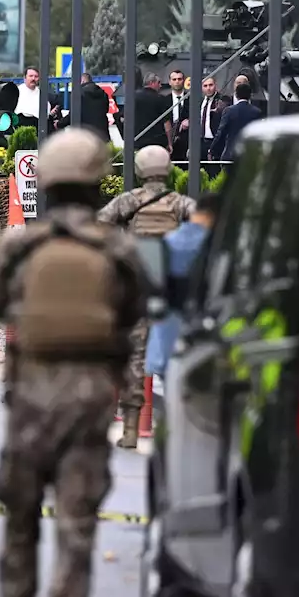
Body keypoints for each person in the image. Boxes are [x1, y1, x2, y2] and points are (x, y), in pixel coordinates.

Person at [0, 128, 147, 597]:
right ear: (98, 182)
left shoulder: (20, 245)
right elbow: (133, 312)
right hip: (91, 403)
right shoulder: (117, 248)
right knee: (77, 531)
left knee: (20, 524)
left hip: (31, 398)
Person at [96, 145, 195, 448]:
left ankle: (129, 430)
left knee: (134, 358)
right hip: (172, 290)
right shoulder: (181, 204)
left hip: (138, 288)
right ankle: (181, 432)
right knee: (181, 357)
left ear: (139, 170)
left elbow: (100, 225)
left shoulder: (128, 201)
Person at [145, 192, 219, 386]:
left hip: (161, 348)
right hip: (197, 351)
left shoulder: (166, 242)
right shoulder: (215, 244)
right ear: (214, 216)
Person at [209, 82, 262, 160]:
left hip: (231, 155)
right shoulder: (257, 112)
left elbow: (221, 133)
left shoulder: (229, 111)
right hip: (250, 156)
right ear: (250, 95)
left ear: (236, 95)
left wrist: (212, 150)